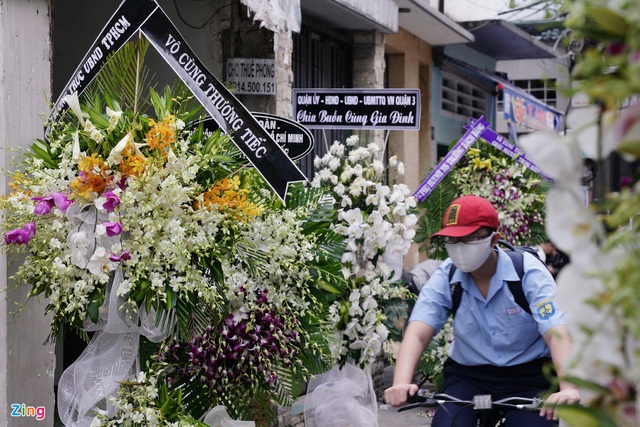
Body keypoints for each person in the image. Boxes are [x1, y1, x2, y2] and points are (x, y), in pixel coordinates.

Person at [384, 195, 580, 426]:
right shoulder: (447, 276)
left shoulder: (527, 273)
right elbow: (418, 331)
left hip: (529, 376)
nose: (458, 249)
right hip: (469, 374)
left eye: (468, 240)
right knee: (448, 423)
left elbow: (555, 331)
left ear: (493, 239)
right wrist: (401, 383)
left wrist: (569, 389)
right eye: (452, 240)